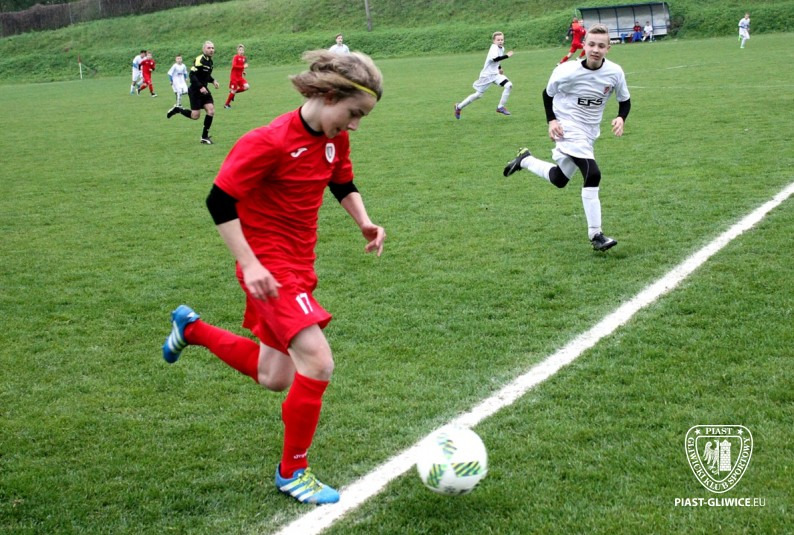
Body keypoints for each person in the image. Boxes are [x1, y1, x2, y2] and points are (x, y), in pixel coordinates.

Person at [161, 49, 385, 505]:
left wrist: (363, 221)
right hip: (268, 267)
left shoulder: (334, 139)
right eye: (354, 114)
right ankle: (292, 472)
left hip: (300, 265)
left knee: (274, 376)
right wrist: (250, 263)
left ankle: (192, 329)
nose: (355, 126)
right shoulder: (268, 141)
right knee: (318, 362)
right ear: (328, 95)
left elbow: (341, 181)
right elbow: (219, 201)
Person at [502, 23, 631, 252]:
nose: (596, 50)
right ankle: (596, 235)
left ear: (608, 48)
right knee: (593, 173)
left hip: (589, 131)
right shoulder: (567, 71)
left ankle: (525, 160)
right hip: (567, 126)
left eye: (601, 46)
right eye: (591, 44)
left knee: (560, 179)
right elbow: (547, 94)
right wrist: (552, 121)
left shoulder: (615, 72)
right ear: (584, 45)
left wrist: (621, 118)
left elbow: (625, 100)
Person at [167, 40, 221, 145]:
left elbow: (206, 76)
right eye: (209, 48)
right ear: (203, 49)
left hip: (204, 90)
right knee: (195, 116)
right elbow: (192, 75)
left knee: (211, 111)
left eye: (212, 48)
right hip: (195, 91)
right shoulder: (199, 60)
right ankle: (178, 109)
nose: (211, 50)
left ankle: (204, 137)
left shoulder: (210, 61)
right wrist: (200, 87)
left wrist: (213, 81)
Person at [454, 31, 514, 119]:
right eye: (498, 40)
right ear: (494, 41)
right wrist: (507, 56)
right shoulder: (493, 48)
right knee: (478, 95)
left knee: (509, 85)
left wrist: (499, 68)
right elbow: (495, 59)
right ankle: (459, 107)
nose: (500, 41)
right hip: (486, 76)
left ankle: (500, 107)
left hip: (495, 75)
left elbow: (497, 60)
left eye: (502, 39)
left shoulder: (501, 48)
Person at [224, 44, 250, 109]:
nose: (241, 51)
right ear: (237, 51)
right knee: (233, 90)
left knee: (247, 87)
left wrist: (243, 71)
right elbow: (234, 66)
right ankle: (226, 104)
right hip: (234, 77)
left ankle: (233, 93)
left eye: (242, 50)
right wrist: (243, 67)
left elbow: (240, 66)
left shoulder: (244, 58)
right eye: (240, 50)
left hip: (240, 77)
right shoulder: (235, 57)